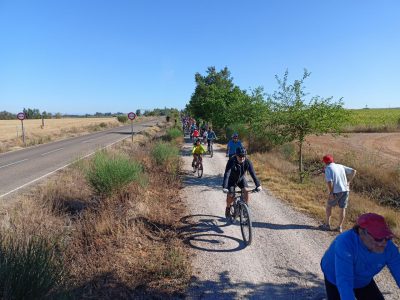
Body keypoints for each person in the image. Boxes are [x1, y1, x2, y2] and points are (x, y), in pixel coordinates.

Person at [321, 213, 400, 300]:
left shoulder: (389, 248)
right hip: (334, 277)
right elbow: (344, 282)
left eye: (386, 237)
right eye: (378, 238)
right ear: (361, 232)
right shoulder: (345, 243)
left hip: (362, 281)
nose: (383, 242)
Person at [320, 154, 357, 233]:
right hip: (346, 190)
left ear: (325, 162)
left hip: (336, 191)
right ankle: (339, 227)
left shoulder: (328, 168)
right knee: (342, 208)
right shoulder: (340, 166)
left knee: (329, 206)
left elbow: (329, 182)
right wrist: (348, 181)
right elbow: (354, 171)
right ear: (332, 160)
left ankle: (327, 225)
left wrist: (331, 193)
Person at [222, 147, 262, 218]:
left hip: (241, 179)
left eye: (243, 156)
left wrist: (258, 185)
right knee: (231, 194)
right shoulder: (231, 161)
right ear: (236, 155)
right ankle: (228, 208)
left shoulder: (247, 162)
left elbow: (253, 174)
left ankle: (245, 208)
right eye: (240, 156)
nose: (242, 158)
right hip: (231, 180)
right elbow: (227, 174)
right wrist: (225, 187)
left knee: (246, 191)